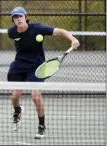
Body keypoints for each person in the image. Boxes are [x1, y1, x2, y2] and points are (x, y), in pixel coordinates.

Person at [7, 7, 80, 139]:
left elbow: (60, 31)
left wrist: (73, 39)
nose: (18, 19)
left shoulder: (38, 28)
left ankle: (41, 126)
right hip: (19, 65)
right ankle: (18, 111)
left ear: (25, 17)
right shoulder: (11, 32)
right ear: (13, 20)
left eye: (20, 16)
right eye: (15, 17)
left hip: (37, 67)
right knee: (14, 96)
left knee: (35, 96)